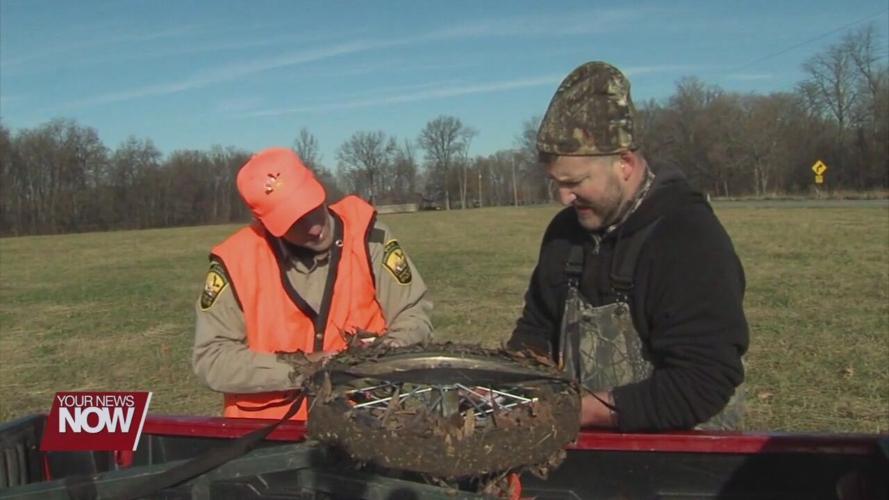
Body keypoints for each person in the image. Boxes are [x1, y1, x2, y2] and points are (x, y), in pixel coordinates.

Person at [507, 62, 748, 431]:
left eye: (575, 181)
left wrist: (580, 410)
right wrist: (510, 390)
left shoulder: (688, 238)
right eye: (555, 182)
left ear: (624, 163)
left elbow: (704, 380)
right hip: (583, 447)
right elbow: (535, 330)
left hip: (682, 455)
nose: (563, 197)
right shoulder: (563, 235)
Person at [193, 147, 433, 420]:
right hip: (272, 433)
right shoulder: (235, 262)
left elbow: (413, 315)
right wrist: (309, 367)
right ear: (263, 223)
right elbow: (212, 360)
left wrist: (379, 357)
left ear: (316, 184)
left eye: (310, 208)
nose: (314, 228)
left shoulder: (369, 236)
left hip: (368, 419)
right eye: (293, 221)